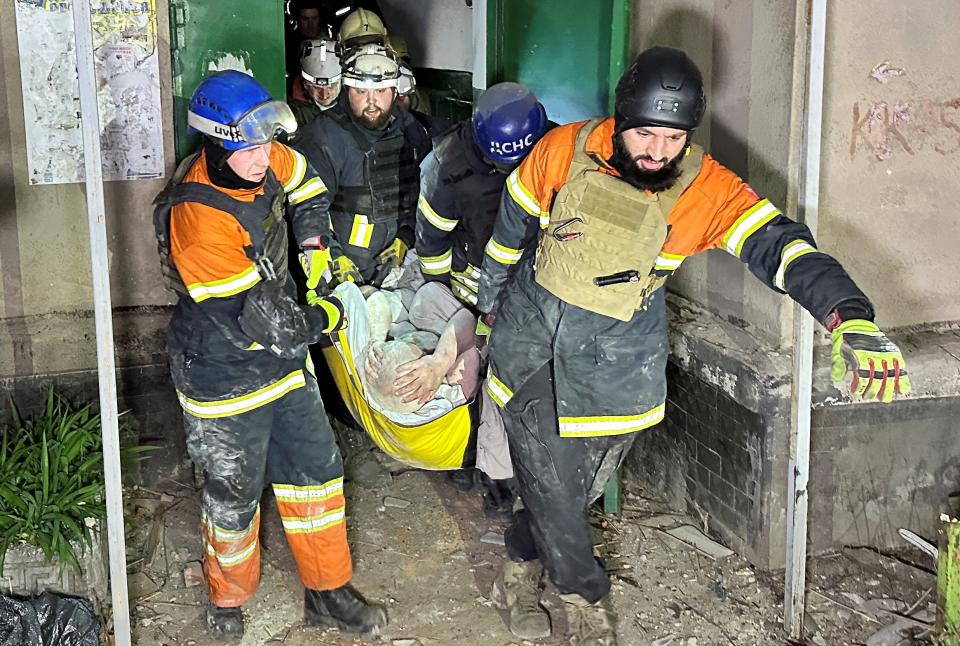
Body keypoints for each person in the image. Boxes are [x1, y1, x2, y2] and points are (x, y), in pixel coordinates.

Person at [476, 47, 912, 644]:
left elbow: (782, 246)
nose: (657, 151)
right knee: (547, 477)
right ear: (621, 121)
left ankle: (517, 567)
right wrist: (489, 303)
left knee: (566, 494)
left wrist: (849, 316)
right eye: (645, 134)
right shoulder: (564, 150)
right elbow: (511, 227)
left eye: (674, 138)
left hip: (617, 360)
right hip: (533, 342)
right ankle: (586, 601)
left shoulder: (706, 189)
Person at [153, 70, 387, 640]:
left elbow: (303, 181)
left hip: (280, 366)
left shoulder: (258, 157)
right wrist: (333, 312)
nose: (265, 158)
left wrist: (312, 243)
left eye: (267, 143)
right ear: (214, 144)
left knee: (316, 475)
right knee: (232, 493)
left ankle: (327, 593)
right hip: (222, 373)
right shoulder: (197, 219)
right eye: (250, 148)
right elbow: (273, 328)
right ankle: (227, 599)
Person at [294, 44, 431, 286]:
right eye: (360, 91)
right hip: (342, 274)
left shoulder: (410, 131)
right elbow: (307, 208)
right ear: (346, 89)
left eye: (381, 91)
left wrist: (405, 236)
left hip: (392, 269)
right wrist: (333, 256)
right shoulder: (323, 138)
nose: (371, 102)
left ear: (394, 90)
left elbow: (417, 193)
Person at [416, 82, 549, 310]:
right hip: (473, 272)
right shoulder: (445, 167)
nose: (511, 171)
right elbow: (431, 242)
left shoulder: (550, 144)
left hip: (532, 271)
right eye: (500, 165)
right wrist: (439, 292)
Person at [288, 38, 342, 131]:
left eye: (331, 86)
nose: (324, 94)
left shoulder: (354, 104)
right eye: (317, 88)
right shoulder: (291, 111)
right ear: (306, 85)